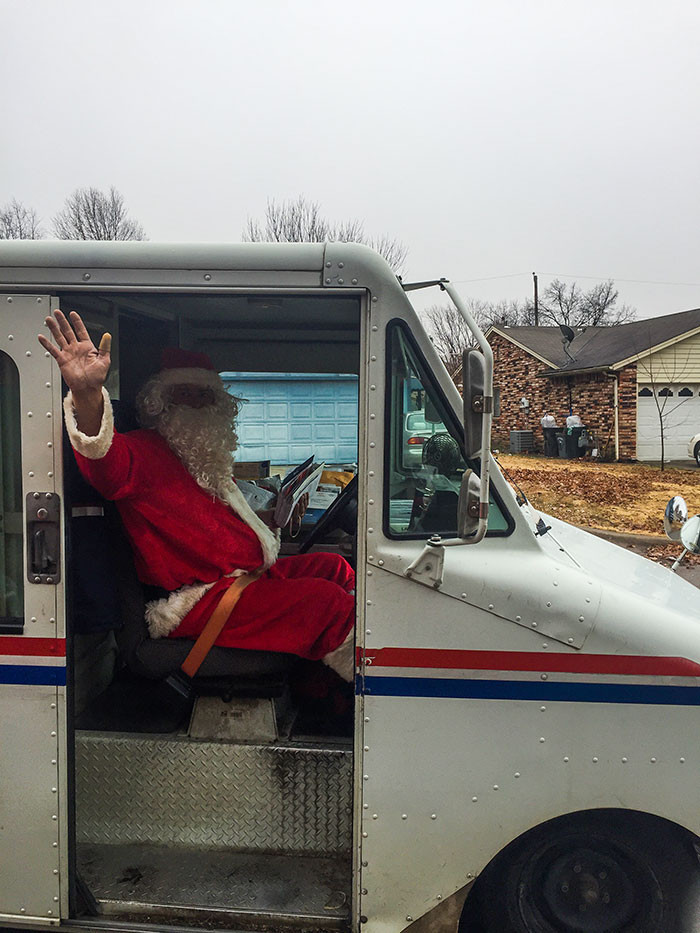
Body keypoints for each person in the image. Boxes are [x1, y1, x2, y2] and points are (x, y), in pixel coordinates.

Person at [38, 310, 355, 681]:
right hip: (197, 599)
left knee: (335, 568)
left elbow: (216, 527)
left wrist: (276, 518)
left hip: (239, 577)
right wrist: (86, 393)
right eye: (183, 393)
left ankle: (321, 686)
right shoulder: (144, 452)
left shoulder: (203, 457)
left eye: (204, 395)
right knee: (328, 605)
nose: (196, 403)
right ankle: (363, 698)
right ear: (160, 401)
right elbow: (104, 464)